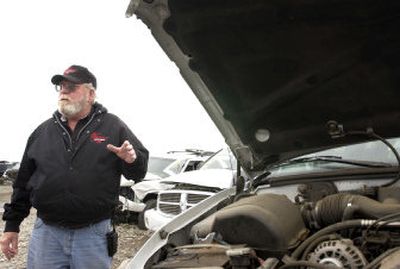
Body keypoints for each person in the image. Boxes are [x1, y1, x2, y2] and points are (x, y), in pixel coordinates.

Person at [0, 65, 149, 268]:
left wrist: (131, 160)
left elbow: (139, 172)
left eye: (71, 87)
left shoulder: (114, 126)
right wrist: (12, 225)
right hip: (47, 235)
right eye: (61, 87)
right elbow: (23, 183)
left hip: (93, 235)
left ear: (90, 94)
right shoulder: (42, 132)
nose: (63, 91)